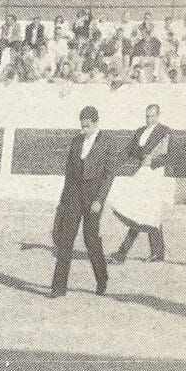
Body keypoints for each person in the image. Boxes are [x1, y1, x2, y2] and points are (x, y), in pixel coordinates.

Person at [51, 106, 116, 297]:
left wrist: (99, 199)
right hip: (74, 195)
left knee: (90, 239)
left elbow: (109, 175)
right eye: (82, 126)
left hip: (94, 196)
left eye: (87, 126)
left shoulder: (107, 142)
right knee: (66, 239)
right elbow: (69, 173)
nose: (84, 130)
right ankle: (58, 287)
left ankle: (102, 278)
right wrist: (63, 199)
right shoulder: (76, 140)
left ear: (96, 123)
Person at [108, 104, 172, 264]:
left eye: (152, 116)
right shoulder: (140, 132)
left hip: (155, 174)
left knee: (143, 211)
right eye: (147, 116)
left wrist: (154, 160)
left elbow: (171, 156)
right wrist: (113, 166)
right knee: (146, 212)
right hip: (142, 173)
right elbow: (128, 151)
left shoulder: (164, 131)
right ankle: (157, 252)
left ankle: (122, 253)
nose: (149, 119)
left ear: (158, 115)